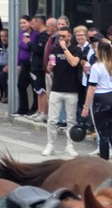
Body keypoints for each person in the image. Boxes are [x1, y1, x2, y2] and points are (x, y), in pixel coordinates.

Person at [42, 26, 81, 157]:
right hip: (56, 88)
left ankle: (70, 146)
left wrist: (64, 48)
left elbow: (74, 63)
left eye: (64, 36)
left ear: (70, 36)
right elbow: (50, 68)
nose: (61, 39)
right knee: (52, 120)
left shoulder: (76, 49)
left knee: (71, 120)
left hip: (71, 89)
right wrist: (49, 67)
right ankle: (50, 144)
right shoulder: (54, 49)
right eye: (60, 37)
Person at [82, 40, 112, 163]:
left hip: (102, 99)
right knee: (111, 131)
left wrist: (86, 106)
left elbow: (92, 87)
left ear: (100, 51)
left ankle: (104, 161)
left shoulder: (96, 66)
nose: (94, 50)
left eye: (96, 48)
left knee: (102, 133)